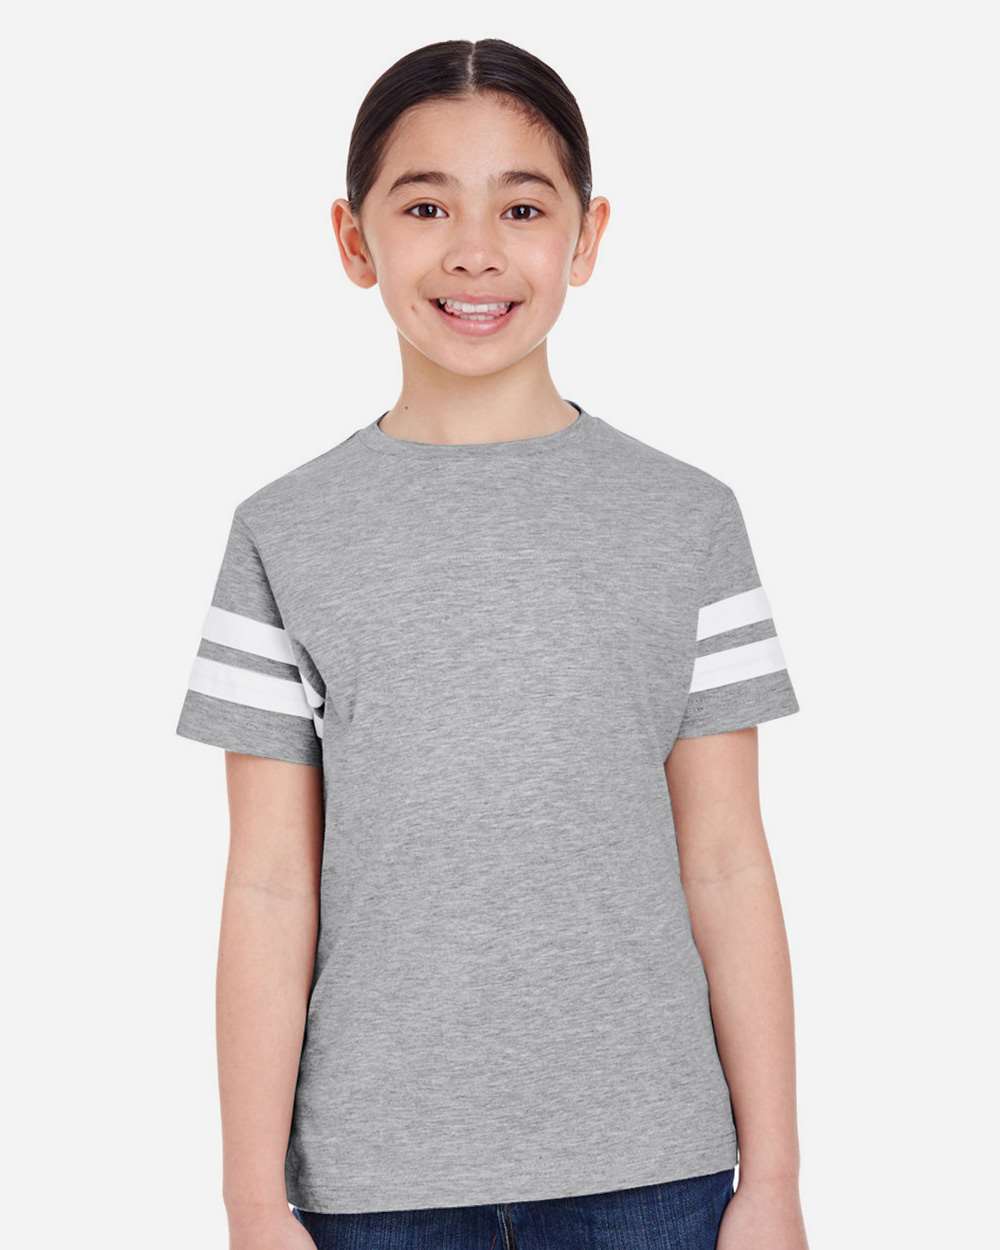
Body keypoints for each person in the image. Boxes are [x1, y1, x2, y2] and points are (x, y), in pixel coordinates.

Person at [176, 37, 809, 1250]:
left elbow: (728, 858)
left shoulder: (685, 520)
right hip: (373, 1178)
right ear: (353, 239)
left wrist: (772, 1175)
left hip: (654, 1165)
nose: (474, 250)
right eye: (425, 206)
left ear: (586, 236)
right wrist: (251, 1200)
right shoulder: (283, 531)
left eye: (521, 207)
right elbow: (267, 880)